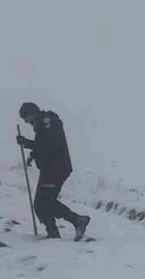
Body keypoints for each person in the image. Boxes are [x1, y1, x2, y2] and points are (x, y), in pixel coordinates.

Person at [17, 101, 91, 241]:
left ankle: (77, 221)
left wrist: (27, 143)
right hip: (50, 168)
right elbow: (43, 145)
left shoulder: (48, 122)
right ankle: (53, 233)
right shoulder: (41, 125)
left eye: (25, 118)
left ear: (31, 113)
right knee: (40, 203)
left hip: (57, 167)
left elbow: (48, 145)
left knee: (45, 201)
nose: (25, 122)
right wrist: (32, 155)